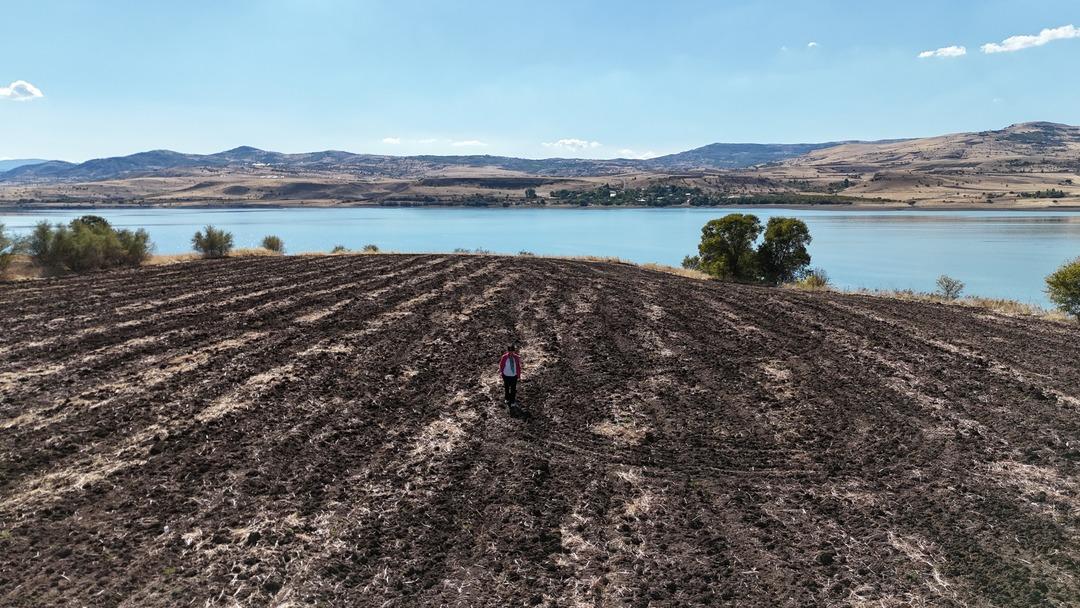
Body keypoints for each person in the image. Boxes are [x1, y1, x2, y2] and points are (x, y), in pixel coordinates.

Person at [499, 343, 523, 410]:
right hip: (506, 375)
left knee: (513, 389)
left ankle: (512, 401)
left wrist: (518, 375)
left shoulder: (516, 357)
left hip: (513, 376)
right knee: (506, 387)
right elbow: (501, 365)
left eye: (512, 351)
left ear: (514, 351)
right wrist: (501, 373)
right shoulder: (504, 357)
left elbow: (518, 366)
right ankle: (507, 398)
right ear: (508, 351)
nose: (511, 352)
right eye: (509, 351)